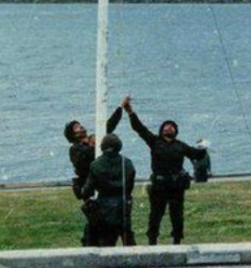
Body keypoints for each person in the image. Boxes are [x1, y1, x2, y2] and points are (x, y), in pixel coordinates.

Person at [125, 97, 206, 245]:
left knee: (177, 215)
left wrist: (204, 147)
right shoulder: (154, 141)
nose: (168, 128)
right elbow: (139, 128)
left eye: (171, 126)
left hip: (176, 186)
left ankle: (177, 241)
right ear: (161, 130)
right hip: (159, 185)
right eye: (166, 126)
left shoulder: (181, 146)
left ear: (176, 131)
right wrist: (130, 111)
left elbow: (196, 154)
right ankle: (152, 240)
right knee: (155, 215)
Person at [64, 99, 127, 246]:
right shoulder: (75, 149)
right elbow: (84, 160)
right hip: (91, 190)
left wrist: (120, 109)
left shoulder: (94, 139)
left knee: (112, 223)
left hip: (103, 186)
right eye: (76, 127)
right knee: (95, 224)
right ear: (73, 135)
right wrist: (95, 145)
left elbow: (108, 126)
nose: (80, 127)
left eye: (79, 125)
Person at [81, 134, 136, 247]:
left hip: (104, 204)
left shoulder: (96, 164)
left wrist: (82, 192)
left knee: (106, 240)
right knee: (128, 239)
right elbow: (130, 185)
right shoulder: (127, 163)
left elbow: (88, 189)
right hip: (123, 204)